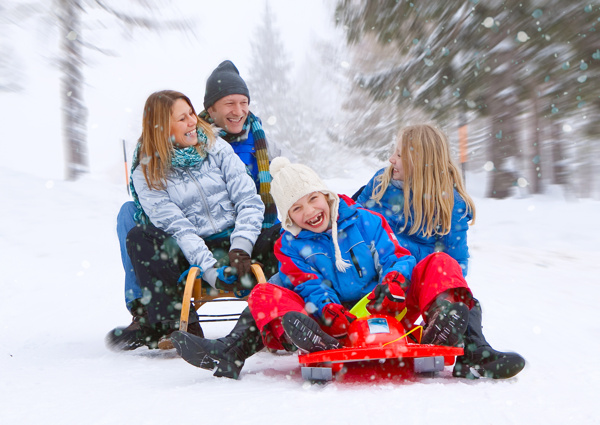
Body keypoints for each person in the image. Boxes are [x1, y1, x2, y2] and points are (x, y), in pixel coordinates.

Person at [171, 157, 477, 378]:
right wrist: (329, 312)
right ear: (289, 217)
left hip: (387, 307)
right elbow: (308, 285)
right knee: (267, 292)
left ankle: (442, 326)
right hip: (331, 323)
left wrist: (393, 283)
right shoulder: (289, 246)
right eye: (297, 208)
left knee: (440, 262)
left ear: (326, 196)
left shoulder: (366, 221)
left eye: (313, 199)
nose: (310, 212)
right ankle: (259, 346)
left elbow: (397, 257)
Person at [109, 60, 281, 350]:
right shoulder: (147, 172)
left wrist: (241, 245)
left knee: (286, 237)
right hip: (193, 247)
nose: (193, 122)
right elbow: (177, 228)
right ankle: (175, 325)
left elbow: (249, 200)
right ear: (162, 127)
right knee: (141, 237)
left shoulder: (215, 146)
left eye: (191, 114)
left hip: (237, 240)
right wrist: (210, 269)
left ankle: (285, 317)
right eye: (183, 118)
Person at [355, 124, 525, 379]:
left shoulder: (450, 202)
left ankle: (468, 348)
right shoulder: (381, 183)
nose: (392, 159)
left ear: (420, 161)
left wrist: (437, 288)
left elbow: (457, 263)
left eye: (399, 155)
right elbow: (349, 222)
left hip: (412, 294)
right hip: (378, 289)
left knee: (445, 267)